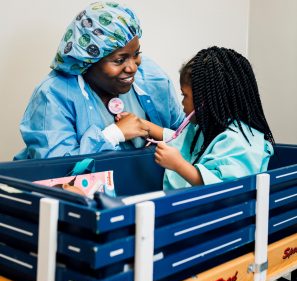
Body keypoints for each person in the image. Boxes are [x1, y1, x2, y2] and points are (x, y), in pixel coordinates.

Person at [14, 1, 184, 160]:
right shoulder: (53, 95)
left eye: (136, 54)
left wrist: (154, 131)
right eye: (119, 60)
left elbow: (189, 137)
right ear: (87, 60)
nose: (133, 67)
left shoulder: (151, 77)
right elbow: (55, 170)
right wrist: (113, 135)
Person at [148, 46, 275, 190]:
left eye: (185, 96)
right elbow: (181, 141)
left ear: (204, 101)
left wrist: (178, 165)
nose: (182, 102)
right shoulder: (206, 128)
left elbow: (224, 189)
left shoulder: (237, 141)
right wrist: (146, 128)